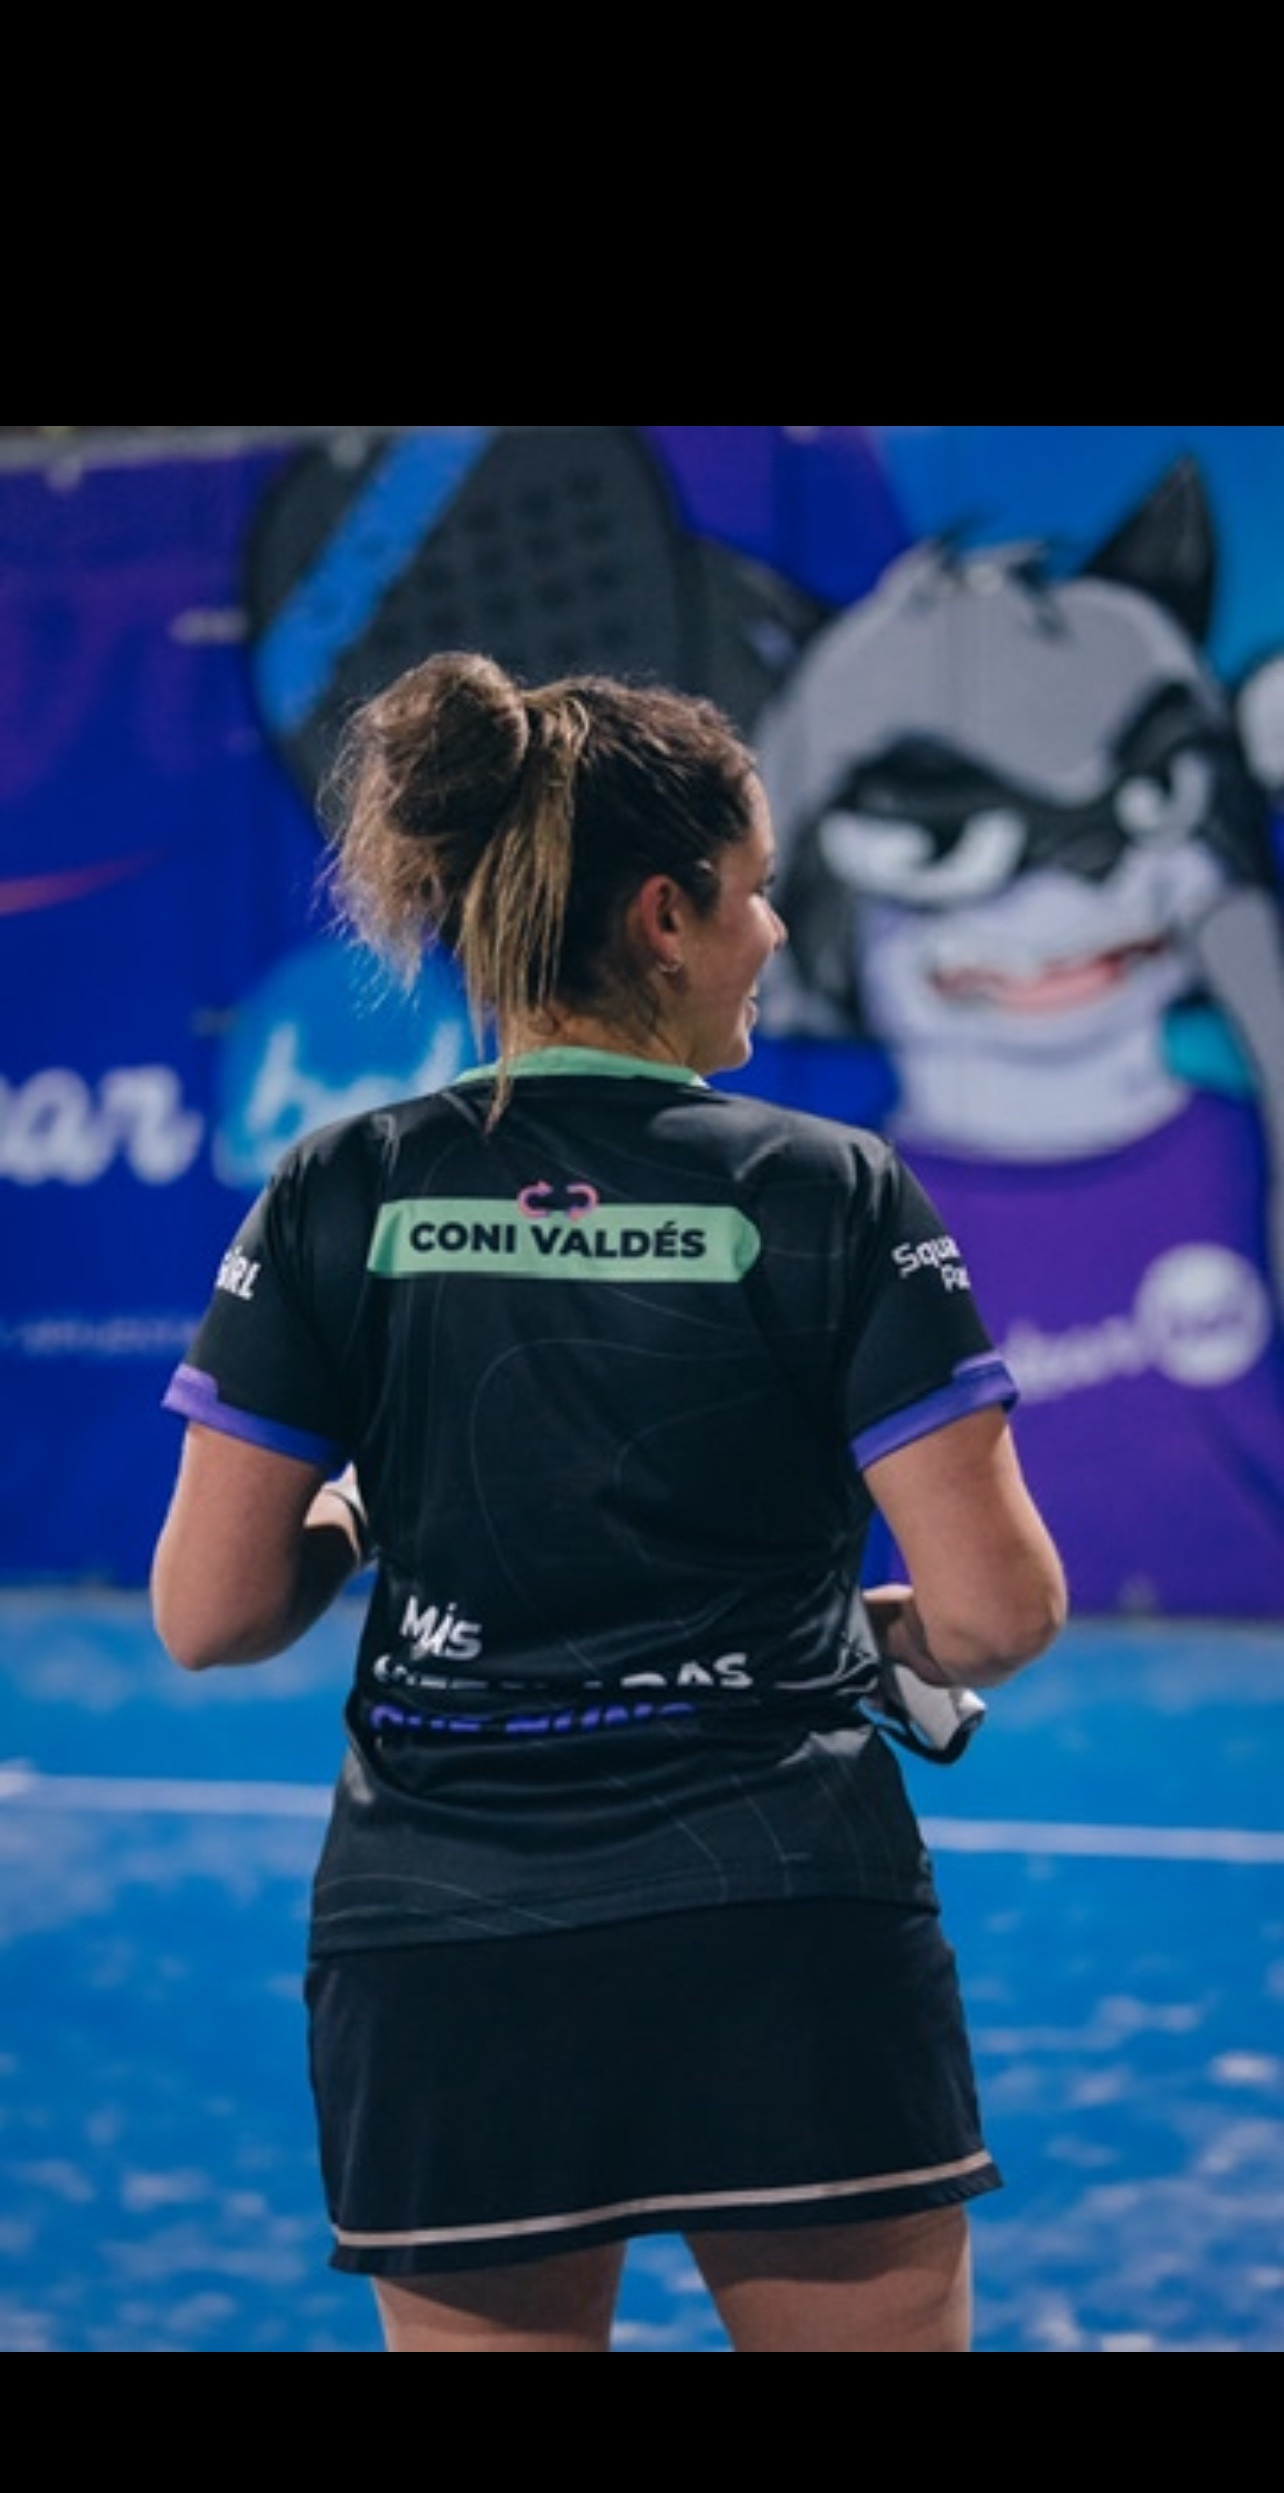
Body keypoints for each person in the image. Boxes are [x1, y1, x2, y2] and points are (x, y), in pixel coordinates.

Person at [151, 650, 1067, 2354]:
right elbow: (999, 1613)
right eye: (755, 890)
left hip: (442, 1938)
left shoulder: (344, 1182)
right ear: (664, 917)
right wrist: (875, 1632)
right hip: (787, 1914)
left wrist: (361, 1509)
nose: (773, 930)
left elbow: (211, 1613)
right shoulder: (832, 1189)